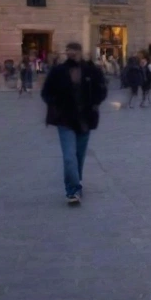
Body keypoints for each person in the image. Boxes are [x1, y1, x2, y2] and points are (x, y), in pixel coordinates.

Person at [41, 42, 108, 206]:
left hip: (85, 119)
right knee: (69, 156)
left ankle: (77, 181)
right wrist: (56, 104)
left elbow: (102, 89)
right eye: (69, 51)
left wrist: (95, 103)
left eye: (74, 52)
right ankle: (72, 190)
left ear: (80, 52)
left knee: (79, 155)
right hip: (65, 120)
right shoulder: (58, 72)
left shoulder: (91, 71)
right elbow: (46, 92)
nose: (72, 54)